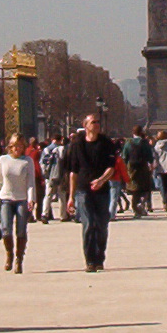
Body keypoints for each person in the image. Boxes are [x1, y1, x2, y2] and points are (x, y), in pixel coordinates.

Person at [63, 114, 118, 272]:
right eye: (93, 122)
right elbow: (73, 172)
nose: (97, 124)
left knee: (101, 225)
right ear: (85, 125)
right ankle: (89, 260)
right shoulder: (77, 145)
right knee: (88, 224)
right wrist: (71, 197)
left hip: (102, 190)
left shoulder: (106, 143)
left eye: (98, 122)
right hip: (83, 189)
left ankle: (100, 257)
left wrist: (101, 180)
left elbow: (111, 168)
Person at [0, 133, 37, 274]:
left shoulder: (27, 161)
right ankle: (9, 254)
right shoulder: (2, 160)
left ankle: (19, 258)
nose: (17, 148)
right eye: (14, 146)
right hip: (5, 198)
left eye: (20, 146)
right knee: (5, 229)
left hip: (22, 199)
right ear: (10, 147)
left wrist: (31, 199)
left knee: (21, 231)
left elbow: (31, 182)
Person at [121, 126, 154, 218]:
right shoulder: (144, 143)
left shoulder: (128, 142)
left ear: (133, 132)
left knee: (134, 189)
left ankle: (135, 208)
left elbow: (124, 156)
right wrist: (151, 164)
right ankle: (142, 204)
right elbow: (150, 156)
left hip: (131, 167)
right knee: (144, 187)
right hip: (143, 167)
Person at [38, 134, 65, 222]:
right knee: (62, 195)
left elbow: (42, 163)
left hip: (49, 176)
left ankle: (44, 214)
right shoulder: (61, 149)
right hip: (60, 175)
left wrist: (45, 174)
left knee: (48, 195)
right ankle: (63, 215)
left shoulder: (46, 149)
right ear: (60, 140)